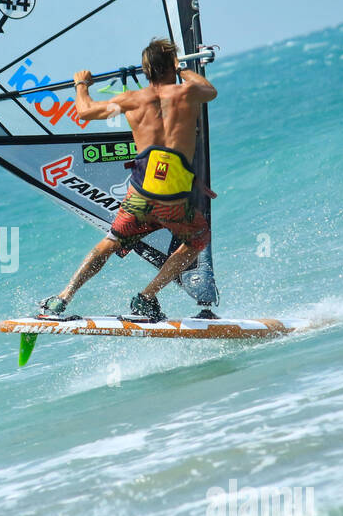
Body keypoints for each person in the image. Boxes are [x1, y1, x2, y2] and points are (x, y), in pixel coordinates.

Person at [38, 38, 217, 321]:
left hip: (141, 193)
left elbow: (84, 111)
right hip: (173, 198)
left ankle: (62, 299)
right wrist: (182, 68)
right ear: (170, 64)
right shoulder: (187, 94)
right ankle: (147, 297)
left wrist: (81, 84)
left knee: (112, 240)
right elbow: (210, 91)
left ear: (146, 71)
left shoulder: (132, 100)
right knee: (198, 237)